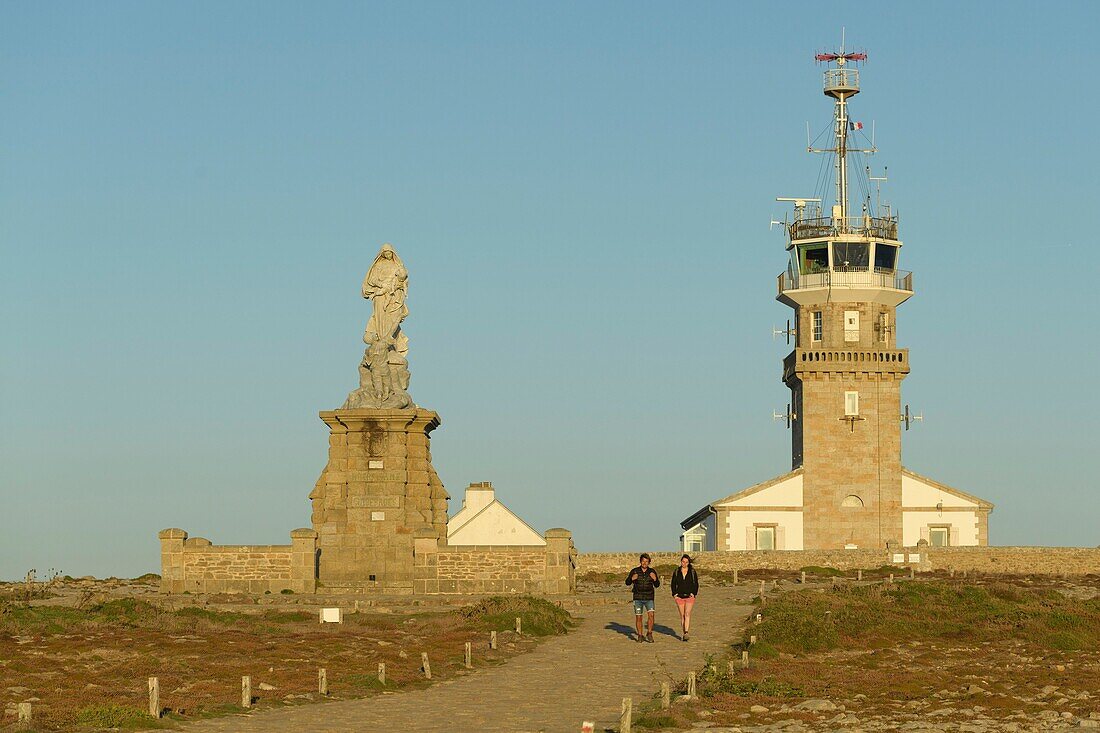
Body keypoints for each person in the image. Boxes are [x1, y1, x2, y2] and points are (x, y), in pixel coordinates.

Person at [625, 553, 660, 643]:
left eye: (646, 561)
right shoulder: (635, 571)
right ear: (640, 561)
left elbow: (657, 585)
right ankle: (640, 635)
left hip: (649, 597)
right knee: (639, 617)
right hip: (638, 597)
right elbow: (627, 582)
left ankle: (649, 633)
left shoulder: (652, 571)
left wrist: (655, 579)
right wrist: (632, 578)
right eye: (643, 561)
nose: (645, 563)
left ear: (649, 562)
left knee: (651, 615)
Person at [670, 554, 699, 641]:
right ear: (681, 562)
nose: (684, 563)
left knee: (687, 614)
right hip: (679, 596)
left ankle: (686, 632)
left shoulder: (692, 572)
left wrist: (694, 593)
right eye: (683, 562)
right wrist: (674, 594)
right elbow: (673, 584)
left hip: (690, 596)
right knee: (682, 615)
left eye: (686, 562)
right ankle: (684, 633)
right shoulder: (676, 571)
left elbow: (696, 584)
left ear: (689, 563)